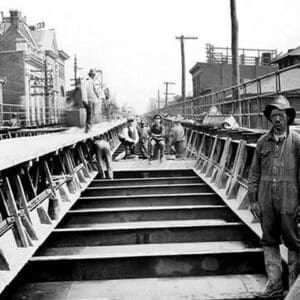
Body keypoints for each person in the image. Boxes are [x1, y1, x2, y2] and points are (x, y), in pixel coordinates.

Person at [248, 95, 300, 298]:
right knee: (269, 241)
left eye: (281, 115)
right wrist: (253, 200)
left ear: (288, 117)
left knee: (294, 241)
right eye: (273, 116)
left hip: (290, 199)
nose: (277, 119)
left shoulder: (296, 142)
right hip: (265, 199)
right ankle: (275, 286)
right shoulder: (262, 142)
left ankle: (294, 287)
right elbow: (254, 173)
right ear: (270, 119)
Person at [81, 68, 100, 133]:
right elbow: (84, 91)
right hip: (88, 100)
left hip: (93, 100)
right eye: (93, 75)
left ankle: (90, 127)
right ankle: (88, 129)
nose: (94, 76)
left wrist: (97, 99)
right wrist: (85, 100)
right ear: (90, 75)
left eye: (94, 75)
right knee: (90, 114)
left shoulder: (92, 82)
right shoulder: (86, 81)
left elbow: (94, 91)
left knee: (93, 114)